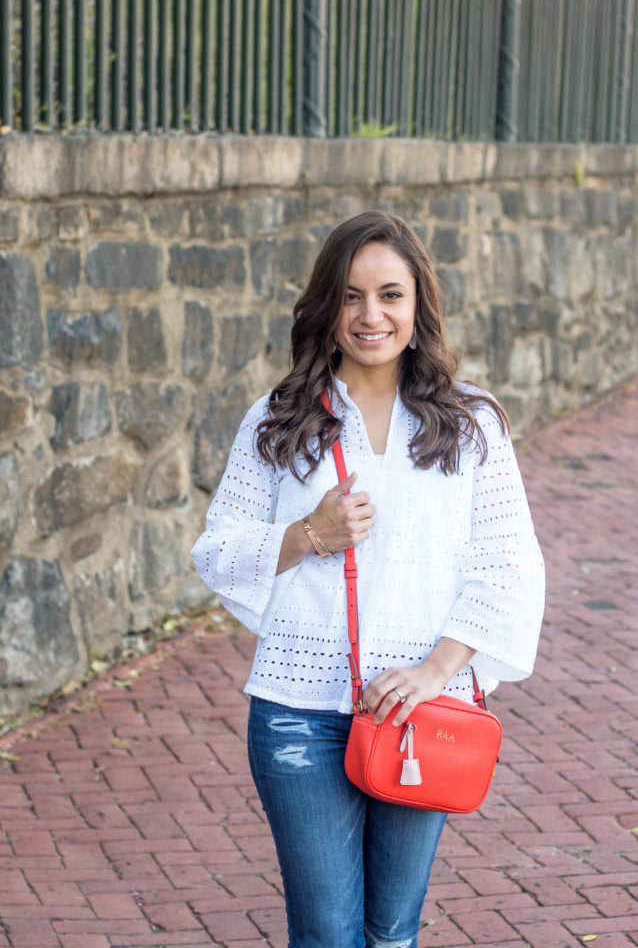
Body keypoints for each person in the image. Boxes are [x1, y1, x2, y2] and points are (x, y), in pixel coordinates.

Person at [191, 210, 545, 948]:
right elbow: (217, 553)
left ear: (418, 309)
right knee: (325, 935)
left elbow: (508, 566)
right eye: (350, 296)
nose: (370, 314)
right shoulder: (281, 420)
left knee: (391, 933)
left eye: (390, 294)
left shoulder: (470, 424)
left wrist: (434, 670)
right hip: (299, 712)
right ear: (327, 310)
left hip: (425, 713)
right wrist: (306, 535)